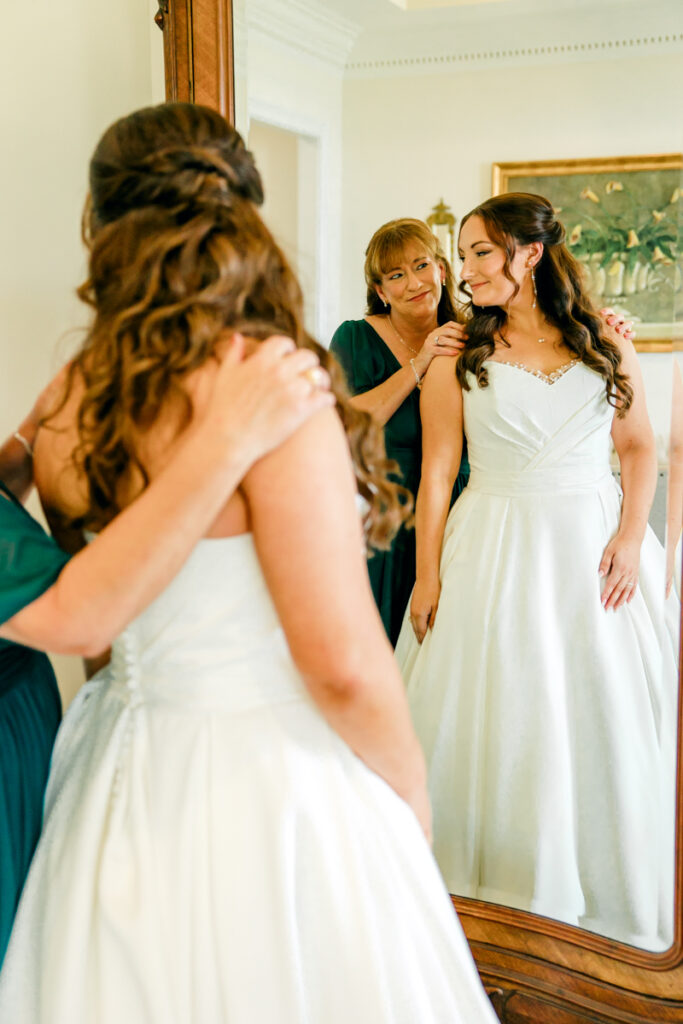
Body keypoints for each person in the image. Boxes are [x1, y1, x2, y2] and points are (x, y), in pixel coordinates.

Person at [0, 103, 497, 1023]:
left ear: (100, 225)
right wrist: (407, 800)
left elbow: (105, 629)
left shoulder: (69, 397)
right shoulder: (270, 388)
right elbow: (341, 663)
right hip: (269, 776)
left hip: (118, 765)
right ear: (242, 218)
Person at [395, 192, 678, 951]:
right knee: (501, 712)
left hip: (593, 551)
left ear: (530, 254)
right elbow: (436, 472)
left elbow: (638, 448)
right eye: (462, 256)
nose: (465, 271)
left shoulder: (606, 342)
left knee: (598, 715)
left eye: (479, 252)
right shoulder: (458, 353)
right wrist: (426, 574)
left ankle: (601, 906)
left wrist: (630, 537)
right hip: (490, 548)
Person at [0, 335, 333, 968]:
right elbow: (82, 619)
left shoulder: (65, 432)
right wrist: (226, 445)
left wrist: (27, 437)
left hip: (42, 718)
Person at [330, 219, 469, 644]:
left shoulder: (474, 335)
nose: (414, 283)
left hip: (460, 519)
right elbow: (344, 424)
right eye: (396, 275)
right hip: (387, 524)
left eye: (421, 266)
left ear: (441, 269)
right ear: (380, 291)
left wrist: (606, 323)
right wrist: (419, 363)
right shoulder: (355, 338)